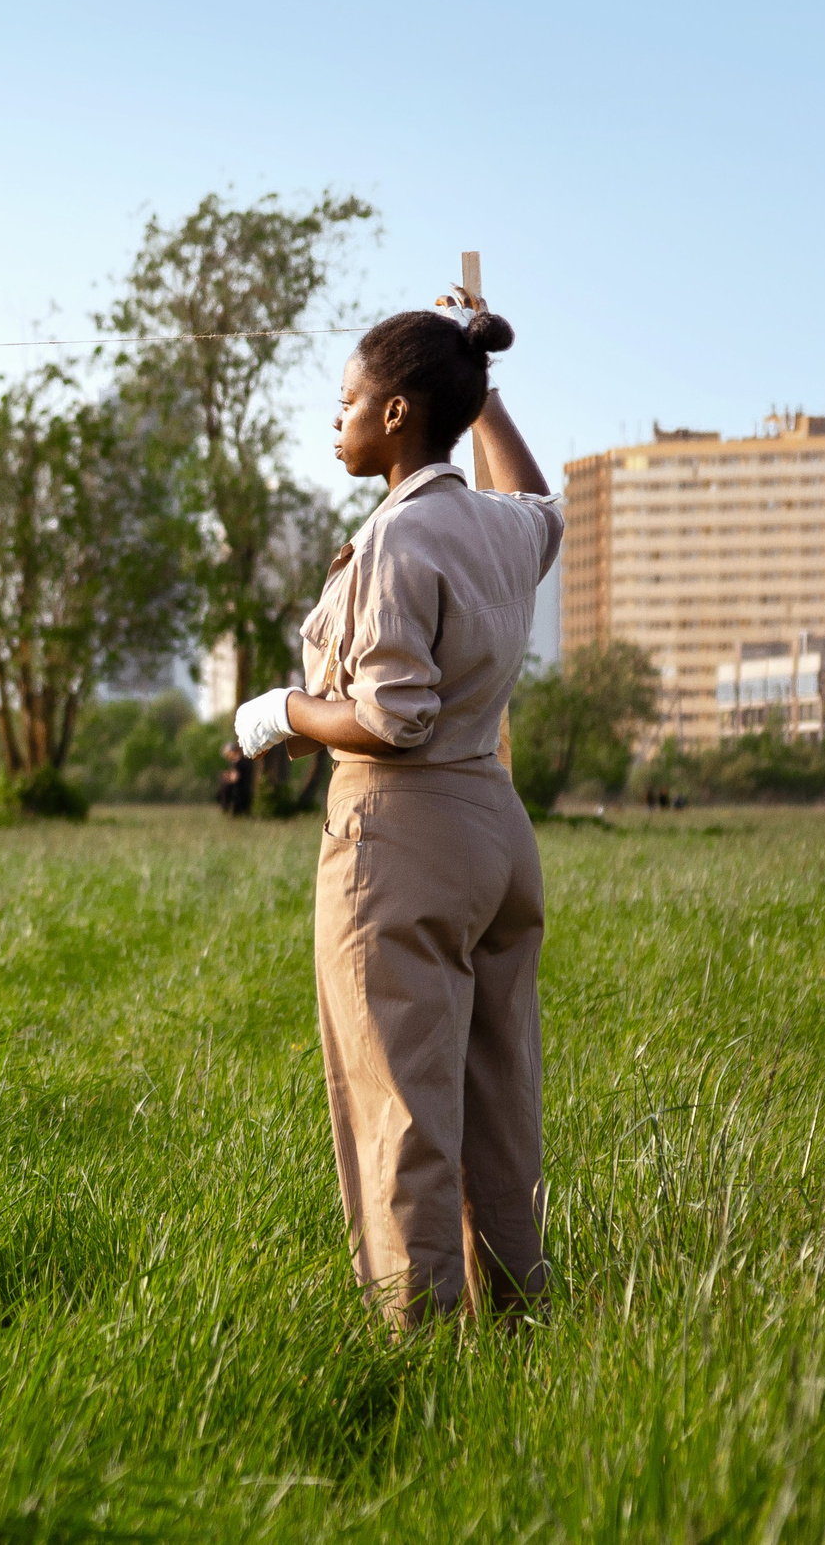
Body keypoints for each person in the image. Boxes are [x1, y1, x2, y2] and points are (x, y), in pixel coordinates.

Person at [233, 292, 560, 1331]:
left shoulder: (390, 543)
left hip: (402, 837)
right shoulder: (498, 528)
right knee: (500, 1101)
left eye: (345, 401)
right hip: (498, 835)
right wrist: (486, 397)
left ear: (394, 414)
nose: (333, 419)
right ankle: (514, 1322)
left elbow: (392, 717)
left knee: (399, 1106)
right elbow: (542, 503)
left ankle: (416, 1343)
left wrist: (275, 714)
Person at [215, 741, 256, 817]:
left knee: (238, 816)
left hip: (239, 794)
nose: (227, 757)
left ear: (232, 752)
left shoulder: (240, 763)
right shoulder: (242, 761)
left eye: (228, 754)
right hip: (243, 793)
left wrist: (225, 777)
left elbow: (235, 778)